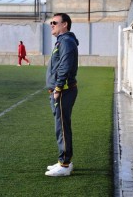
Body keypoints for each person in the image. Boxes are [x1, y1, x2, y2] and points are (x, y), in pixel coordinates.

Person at [45, 13, 79, 177]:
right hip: (61, 90)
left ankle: (64, 164)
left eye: (54, 22)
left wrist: (58, 88)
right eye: (50, 22)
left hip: (63, 91)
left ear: (64, 24)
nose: (51, 24)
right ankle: (64, 161)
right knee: (62, 126)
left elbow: (65, 65)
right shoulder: (63, 41)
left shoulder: (66, 41)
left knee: (62, 128)